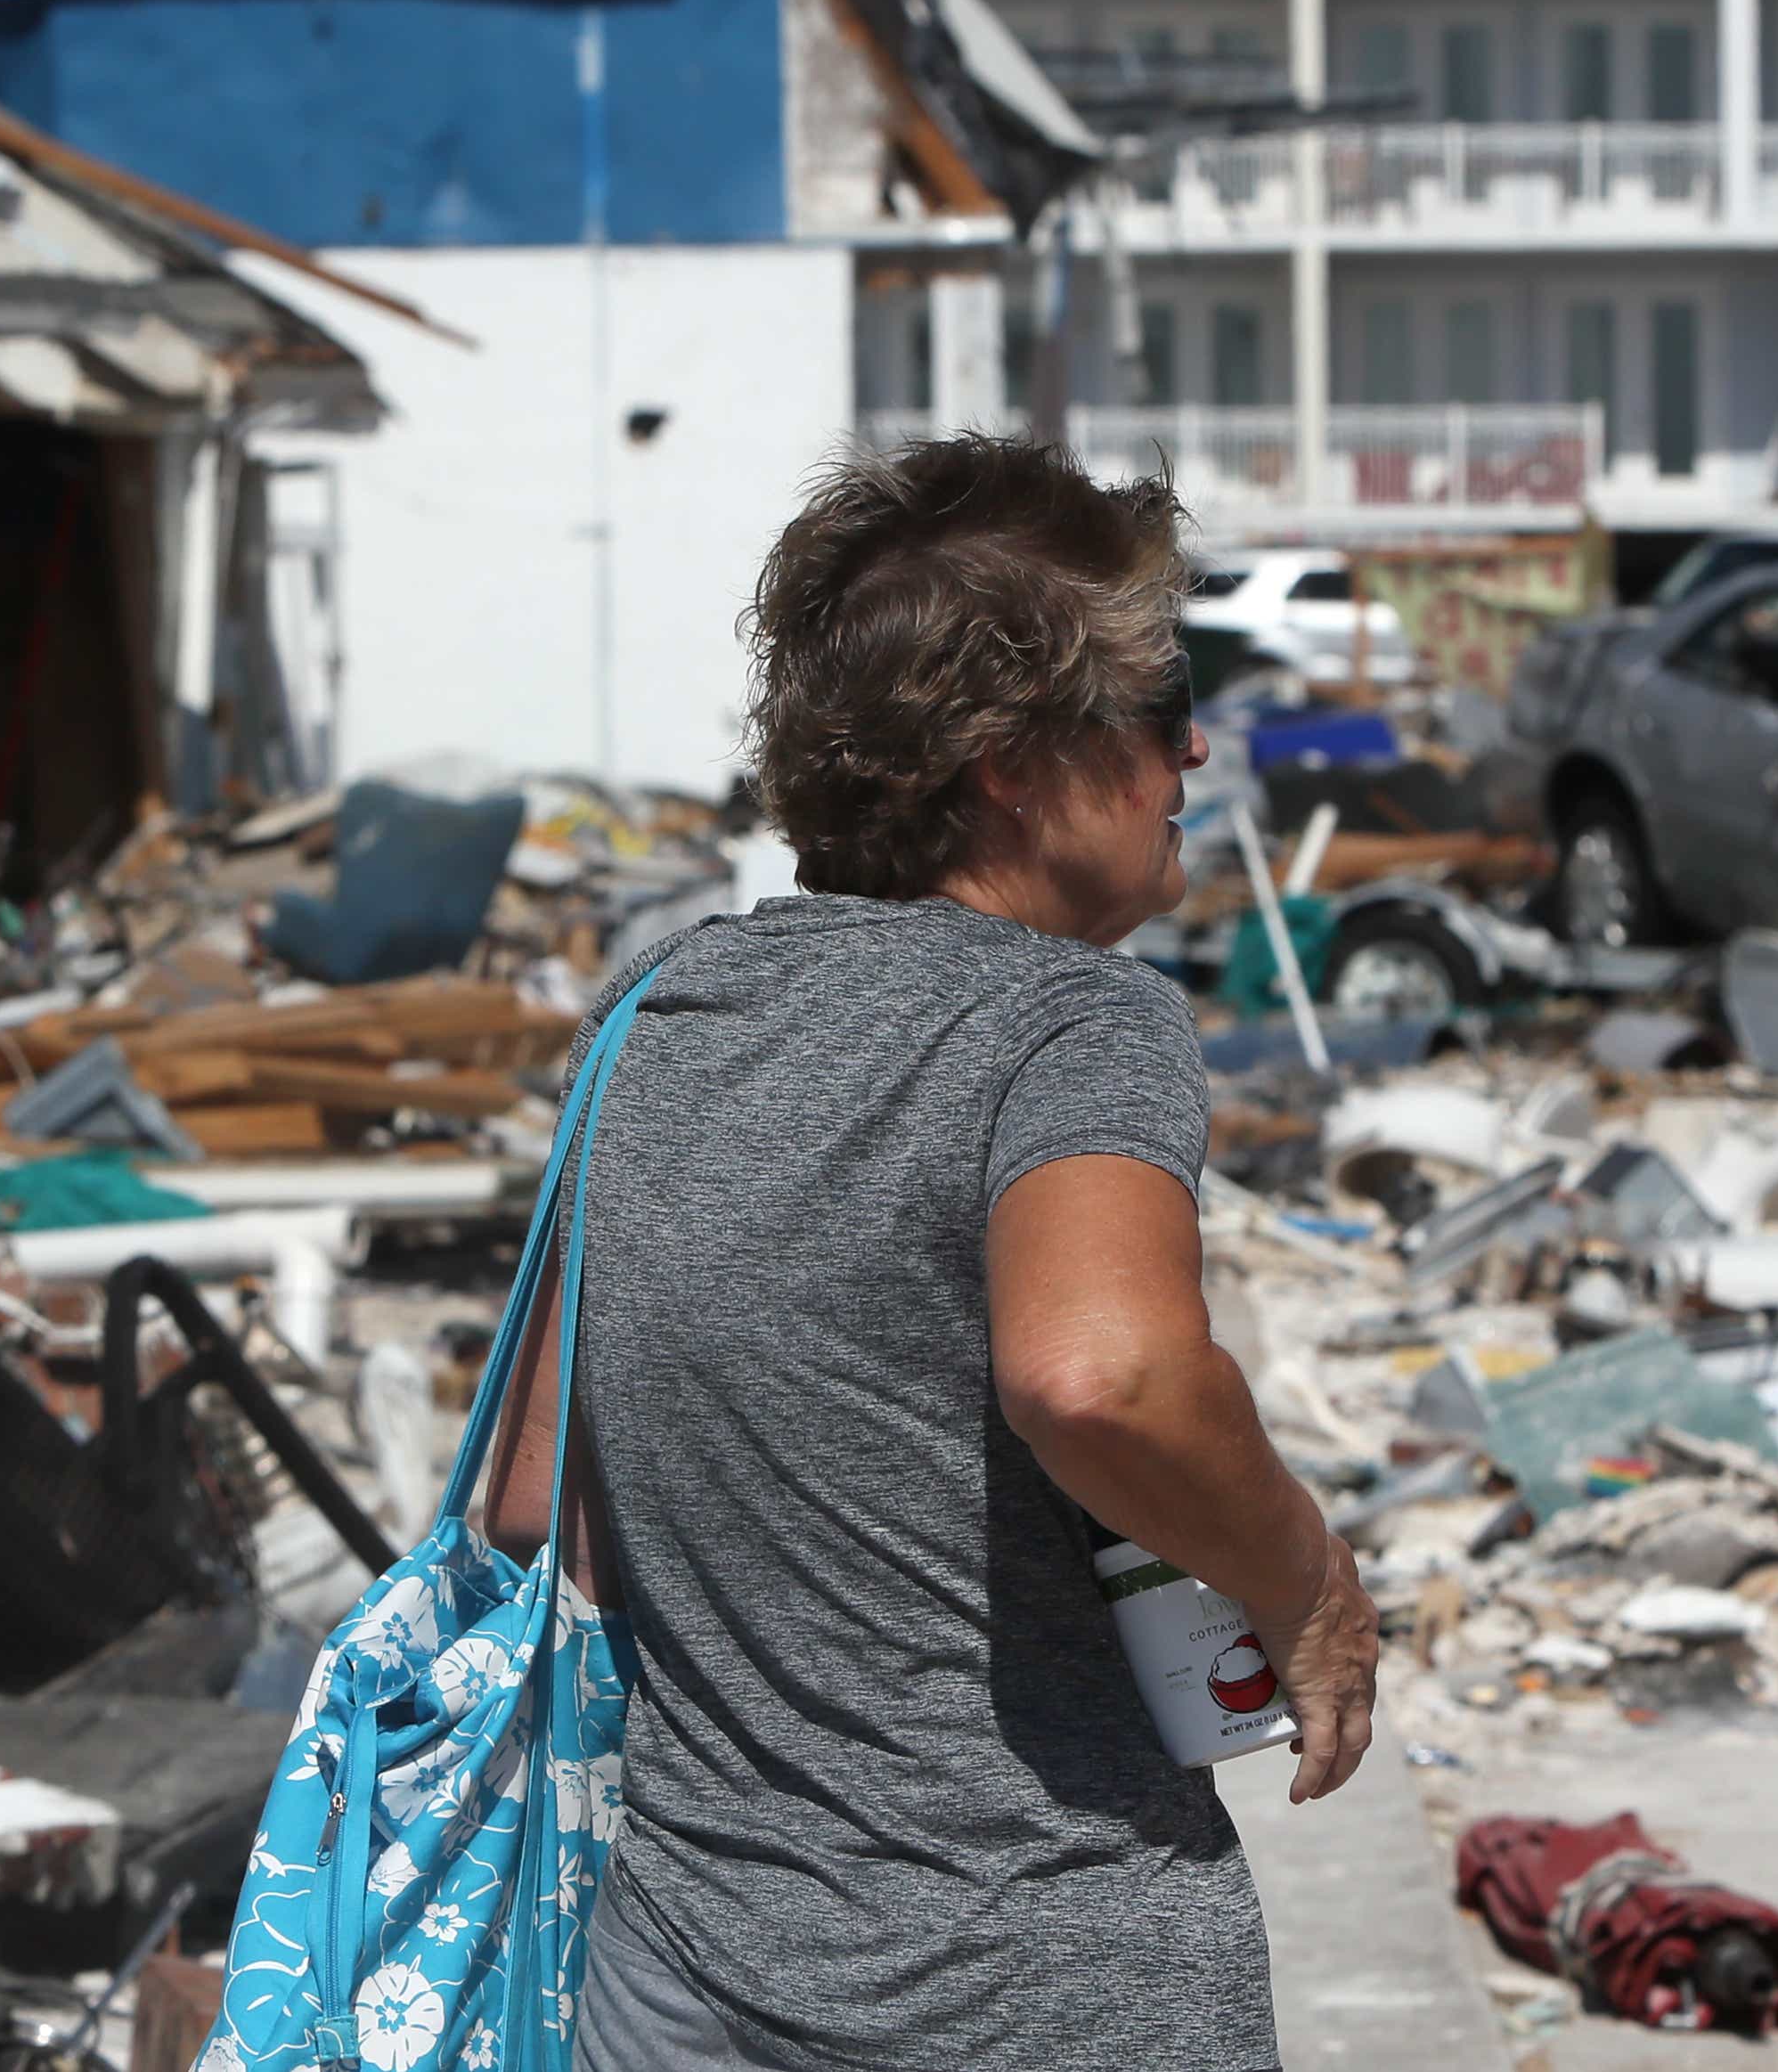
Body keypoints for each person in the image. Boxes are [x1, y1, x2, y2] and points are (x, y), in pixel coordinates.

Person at [487, 435, 1378, 2071]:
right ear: (1007, 760)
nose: (1191, 745)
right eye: (1153, 700)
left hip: (685, 1974)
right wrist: (1304, 1583)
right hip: (1038, 1979)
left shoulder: (654, 1015)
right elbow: (1095, 1374)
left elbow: (540, 1504)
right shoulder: (1066, 1023)